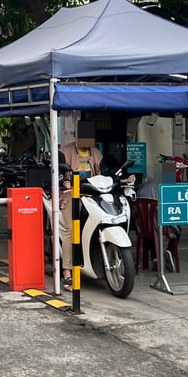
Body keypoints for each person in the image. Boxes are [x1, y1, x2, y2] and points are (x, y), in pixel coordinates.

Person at [58, 120, 103, 283]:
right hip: (70, 195)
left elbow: (104, 172)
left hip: (92, 195)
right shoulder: (64, 151)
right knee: (71, 230)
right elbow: (60, 174)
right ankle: (67, 271)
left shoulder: (96, 153)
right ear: (77, 136)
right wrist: (65, 183)